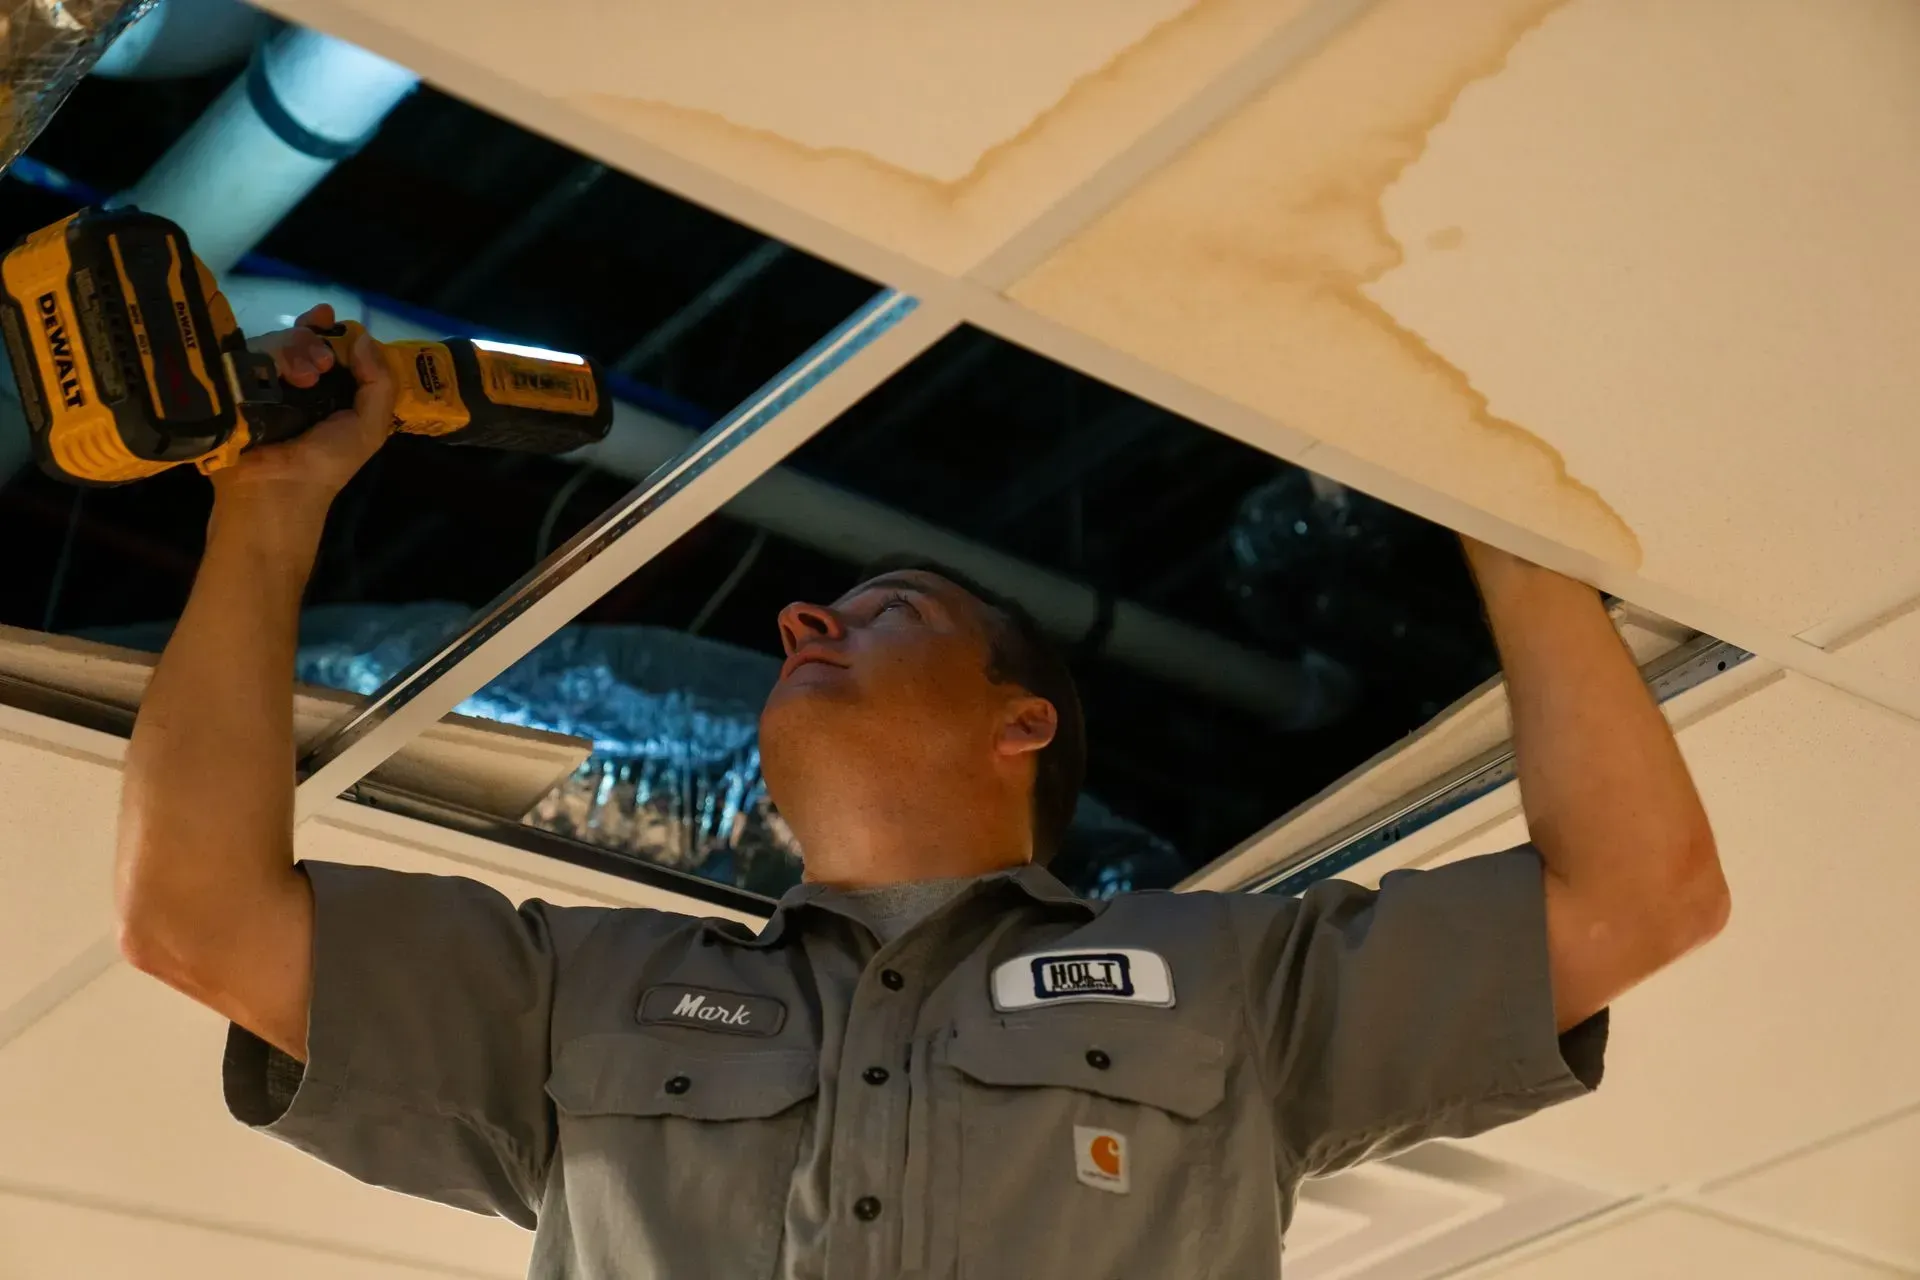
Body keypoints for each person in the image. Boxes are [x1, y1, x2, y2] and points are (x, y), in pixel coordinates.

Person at [115, 310, 1730, 1280]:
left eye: (889, 610)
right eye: (833, 607)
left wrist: (1501, 523)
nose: (805, 617)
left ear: (1022, 723)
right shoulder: (578, 994)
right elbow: (196, 920)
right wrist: (268, 508)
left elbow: (1639, 898)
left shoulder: (1234, 984)